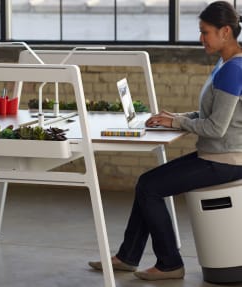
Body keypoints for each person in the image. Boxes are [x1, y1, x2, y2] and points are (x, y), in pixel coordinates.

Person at [89, 1, 242, 281]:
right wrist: (176, 116)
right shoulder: (226, 63)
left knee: (150, 186)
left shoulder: (234, 69)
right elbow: (212, 114)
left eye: (205, 32)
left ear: (226, 32)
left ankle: (170, 264)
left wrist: (177, 122)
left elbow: (217, 128)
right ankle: (128, 256)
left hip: (227, 160)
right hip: (217, 155)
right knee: (148, 182)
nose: (201, 38)